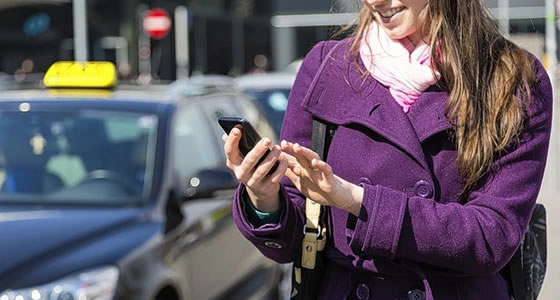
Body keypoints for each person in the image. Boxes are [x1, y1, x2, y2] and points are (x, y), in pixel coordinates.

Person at [222, 0, 553, 299]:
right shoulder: (328, 67)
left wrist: (355, 200)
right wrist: (264, 197)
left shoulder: (512, 79)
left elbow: (491, 237)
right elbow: (294, 240)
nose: (375, 2)